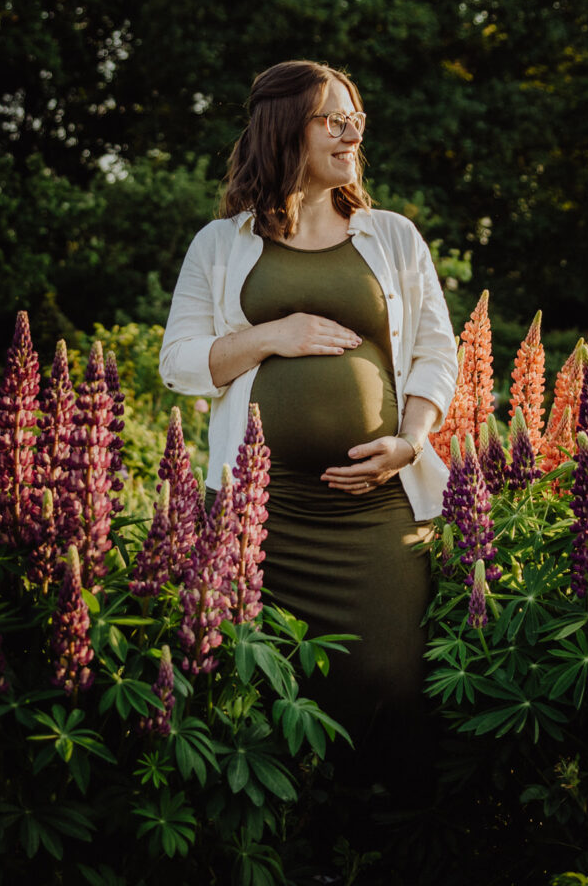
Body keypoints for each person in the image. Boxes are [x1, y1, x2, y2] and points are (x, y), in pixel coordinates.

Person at [159, 60, 458, 791]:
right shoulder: (219, 244)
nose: (351, 130)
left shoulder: (391, 236)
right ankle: (304, 842)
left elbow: (435, 353)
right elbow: (179, 363)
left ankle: (381, 841)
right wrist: (272, 333)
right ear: (284, 126)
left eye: (356, 117)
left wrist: (409, 441)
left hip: (376, 506)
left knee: (394, 676)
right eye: (334, 117)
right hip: (266, 514)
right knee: (270, 685)